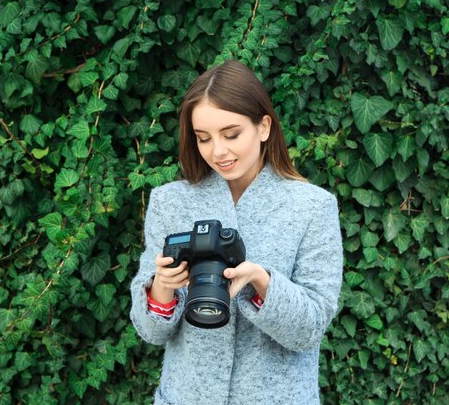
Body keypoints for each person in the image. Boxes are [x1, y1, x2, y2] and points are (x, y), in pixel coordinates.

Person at [130, 59, 343, 405]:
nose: (218, 151)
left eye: (231, 134)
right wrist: (162, 288)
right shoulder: (169, 202)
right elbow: (150, 332)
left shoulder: (312, 207)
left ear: (263, 127)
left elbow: (310, 328)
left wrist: (263, 283)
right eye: (203, 138)